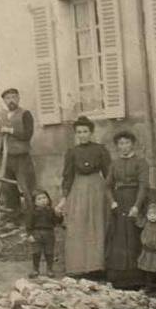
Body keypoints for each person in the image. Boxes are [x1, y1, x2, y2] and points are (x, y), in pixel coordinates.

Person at [59, 116, 111, 278]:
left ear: (91, 132)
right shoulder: (72, 152)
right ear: (76, 134)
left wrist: (111, 195)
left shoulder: (101, 149)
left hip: (97, 189)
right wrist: (64, 197)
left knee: (97, 225)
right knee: (79, 225)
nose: (82, 135)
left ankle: (97, 266)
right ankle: (80, 266)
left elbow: (109, 174)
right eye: (79, 132)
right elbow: (67, 176)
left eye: (85, 131)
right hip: (79, 190)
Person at [105, 130, 149, 289]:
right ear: (117, 146)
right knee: (118, 237)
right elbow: (108, 186)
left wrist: (137, 205)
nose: (124, 146)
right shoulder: (114, 164)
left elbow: (144, 185)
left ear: (133, 144)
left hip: (135, 199)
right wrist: (112, 202)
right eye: (121, 144)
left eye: (127, 143)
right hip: (119, 203)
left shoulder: (141, 162)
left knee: (134, 236)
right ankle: (119, 278)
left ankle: (137, 277)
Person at [0, 88, 37, 212]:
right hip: (6, 158)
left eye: (14, 97)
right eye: (8, 98)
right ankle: (14, 217)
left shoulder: (25, 114)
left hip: (21, 157)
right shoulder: (2, 115)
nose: (11, 100)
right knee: (9, 189)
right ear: (4, 100)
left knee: (26, 187)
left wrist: (10, 131)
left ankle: (32, 216)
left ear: (18, 98)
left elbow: (28, 134)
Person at [26, 189, 63, 278]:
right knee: (36, 252)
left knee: (49, 252)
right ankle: (35, 269)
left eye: (44, 198)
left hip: (49, 233)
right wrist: (29, 235)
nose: (43, 200)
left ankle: (49, 269)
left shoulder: (51, 211)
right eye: (39, 199)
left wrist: (59, 215)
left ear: (48, 199)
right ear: (34, 202)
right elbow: (28, 225)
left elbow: (56, 222)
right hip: (36, 233)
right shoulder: (32, 212)